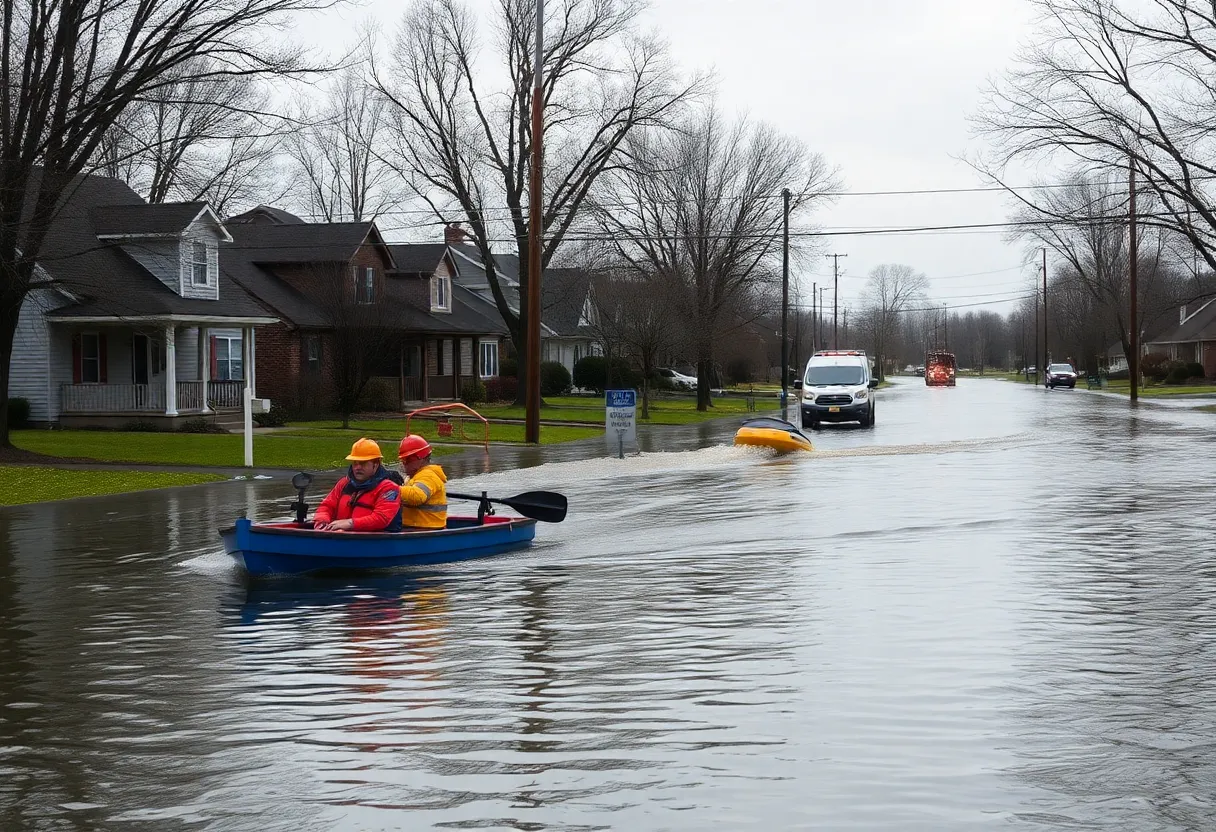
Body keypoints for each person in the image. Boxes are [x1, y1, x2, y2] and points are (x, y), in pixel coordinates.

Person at [313, 438, 403, 532]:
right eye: (355, 463)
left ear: (376, 464)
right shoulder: (344, 483)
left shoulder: (389, 488)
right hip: (341, 536)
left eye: (363, 463)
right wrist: (321, 521)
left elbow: (381, 518)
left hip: (376, 542)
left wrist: (350, 524)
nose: (358, 467)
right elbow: (327, 505)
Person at [397, 434, 448, 529]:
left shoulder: (429, 475)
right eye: (403, 460)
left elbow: (418, 496)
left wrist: (391, 488)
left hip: (429, 530)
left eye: (409, 459)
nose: (405, 463)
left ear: (422, 458)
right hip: (414, 528)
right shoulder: (413, 477)